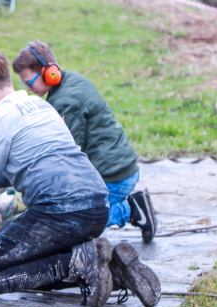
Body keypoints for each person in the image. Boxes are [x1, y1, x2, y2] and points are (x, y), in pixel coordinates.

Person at [0, 49, 160, 307]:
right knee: (33, 268)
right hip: (98, 206)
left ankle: (77, 261)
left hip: (59, 212)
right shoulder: (42, 106)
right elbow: (15, 171)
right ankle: (114, 271)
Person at [12, 41, 158, 244]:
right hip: (119, 168)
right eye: (24, 83)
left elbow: (67, 154)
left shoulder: (66, 101)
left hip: (113, 177)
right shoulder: (71, 79)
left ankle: (132, 210)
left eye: (30, 82)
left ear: (50, 74)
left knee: (74, 222)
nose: (28, 88)